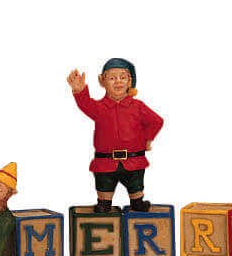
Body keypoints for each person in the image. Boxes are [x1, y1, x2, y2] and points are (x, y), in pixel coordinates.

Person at [67, 58, 164, 213]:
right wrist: (80, 91)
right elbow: (86, 104)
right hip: (105, 163)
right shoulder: (99, 108)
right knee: (104, 196)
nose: (118, 82)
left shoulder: (138, 106)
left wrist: (147, 139)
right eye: (112, 78)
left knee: (136, 190)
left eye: (122, 77)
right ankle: (104, 203)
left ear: (129, 81)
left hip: (134, 162)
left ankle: (137, 201)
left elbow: (156, 121)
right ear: (102, 81)